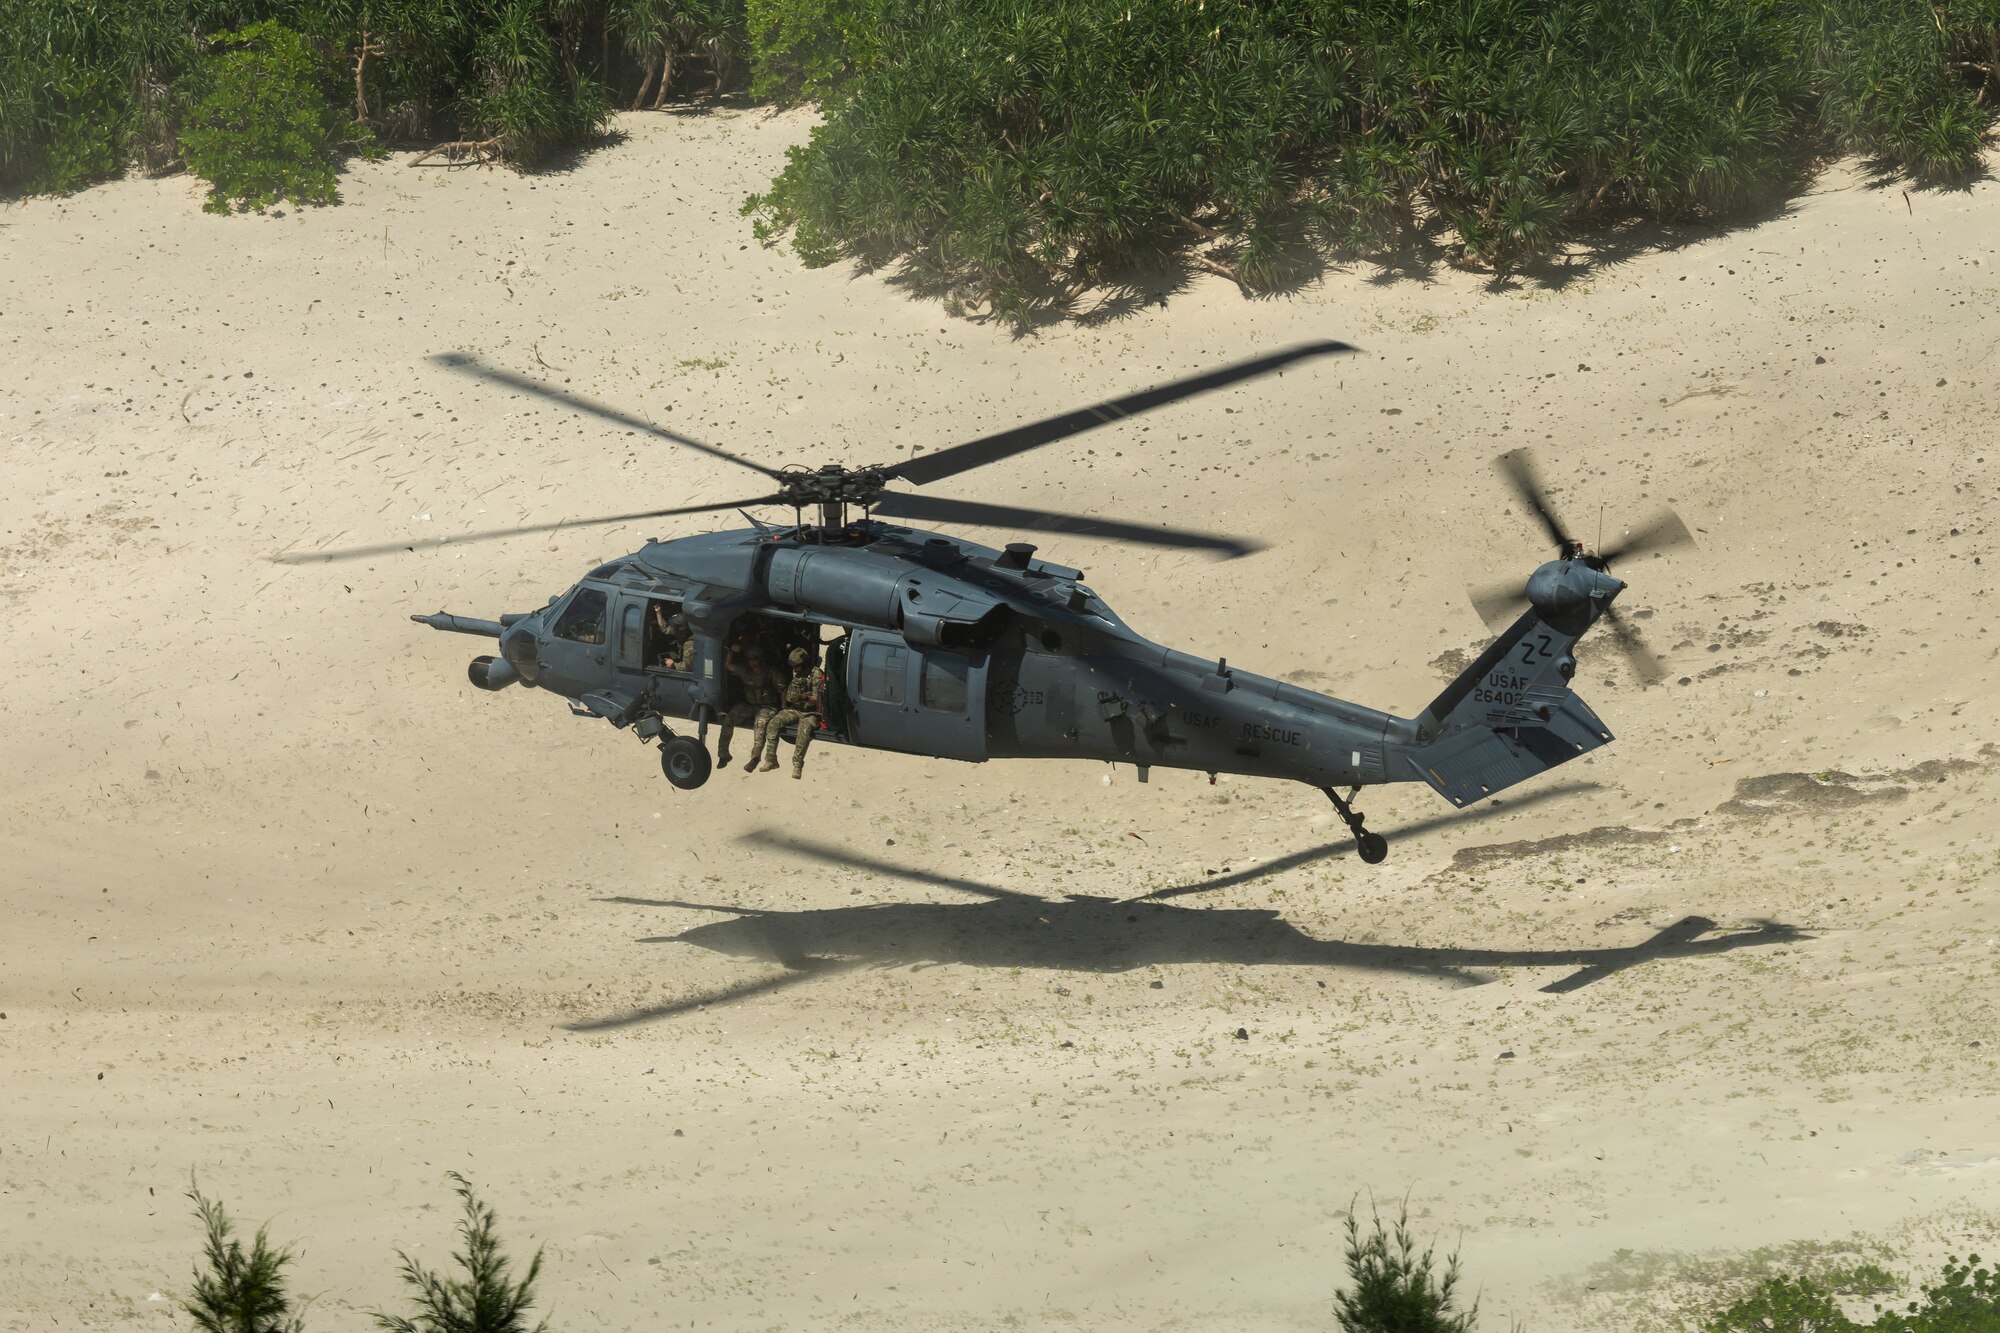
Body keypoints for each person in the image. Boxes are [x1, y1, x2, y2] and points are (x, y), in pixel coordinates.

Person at [758, 645, 823, 779]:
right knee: (774, 723)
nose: (794, 669)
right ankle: (770, 760)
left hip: (810, 712)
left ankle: (797, 766)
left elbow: (818, 698)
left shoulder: (816, 674)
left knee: (803, 732)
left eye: (796, 666)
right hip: (795, 709)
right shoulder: (796, 673)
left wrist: (803, 696)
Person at [717, 641, 779, 770]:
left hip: (767, 706)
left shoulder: (771, 672)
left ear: (761, 659)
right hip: (750, 705)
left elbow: (782, 689)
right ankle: (723, 754)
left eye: (756, 658)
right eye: (750, 659)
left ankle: (755, 758)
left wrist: (784, 706)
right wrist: (731, 652)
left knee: (760, 725)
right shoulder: (745, 671)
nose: (753, 662)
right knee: (729, 718)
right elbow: (728, 666)